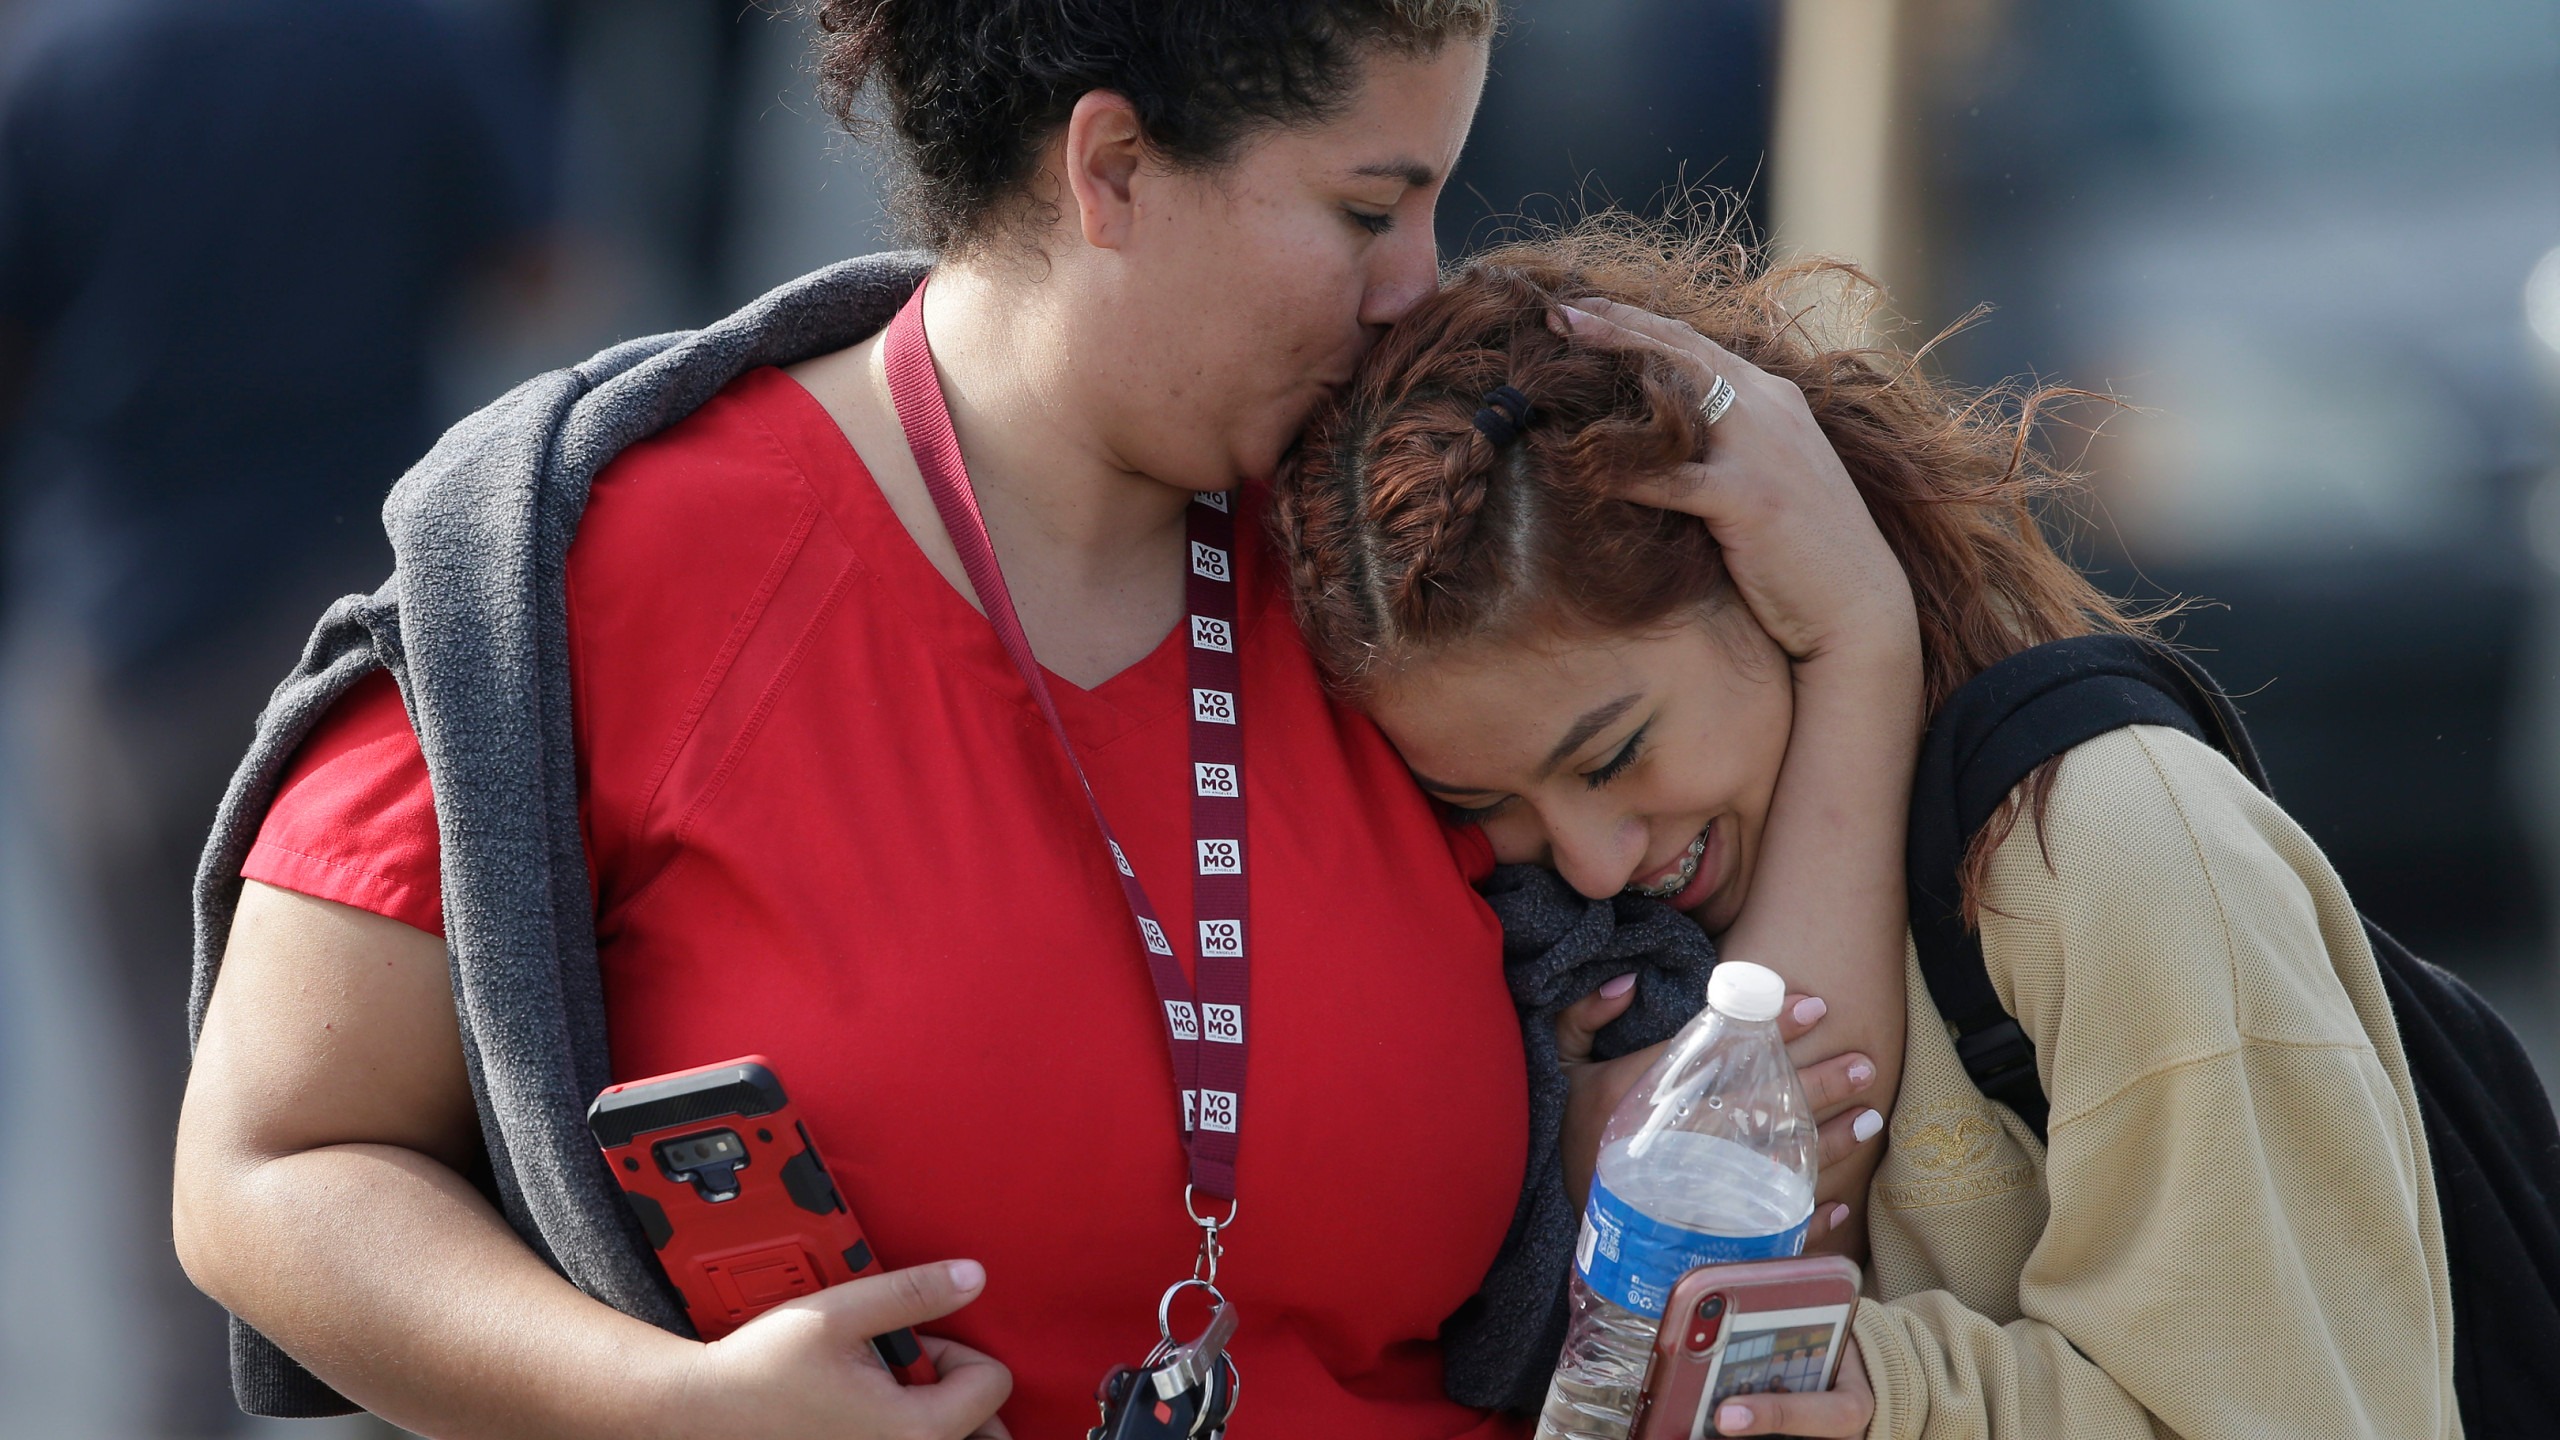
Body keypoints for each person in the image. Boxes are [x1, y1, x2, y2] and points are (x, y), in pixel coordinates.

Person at [171, 6, 1903, 1437]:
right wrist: (657, 1407)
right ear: (1115, 168)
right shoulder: (598, 563)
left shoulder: (1410, 584)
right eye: (1373, 208)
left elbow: (1780, 1137)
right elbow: (272, 1165)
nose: (1415, 284)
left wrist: (1863, 640)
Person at [1267, 223, 2458, 1438]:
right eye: (1489, 806)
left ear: (1757, 566)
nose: (1592, 858)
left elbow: (2310, 1409)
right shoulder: (1585, 943)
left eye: (1615, 755)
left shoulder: (2119, 849)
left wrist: (1897, 1401)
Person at [0, 0, 550, 1429]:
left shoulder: (65, 58)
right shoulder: (422, 38)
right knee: (405, 1109)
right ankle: (398, 1379)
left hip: (124, 634)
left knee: (150, 1094)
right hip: (366, 653)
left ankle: (176, 1406)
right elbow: (547, 266)